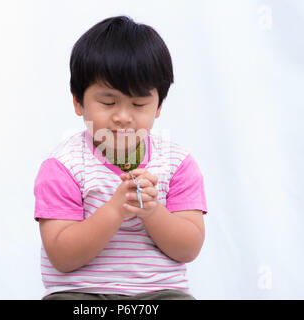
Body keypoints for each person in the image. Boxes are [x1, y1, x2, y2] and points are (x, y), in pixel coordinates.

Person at [33, 15, 208, 300]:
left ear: (159, 106)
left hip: (157, 294)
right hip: (81, 295)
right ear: (78, 102)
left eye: (138, 104)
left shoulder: (177, 164)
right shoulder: (63, 166)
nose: (122, 117)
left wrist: (152, 211)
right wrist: (116, 209)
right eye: (108, 102)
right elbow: (62, 257)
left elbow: (188, 249)